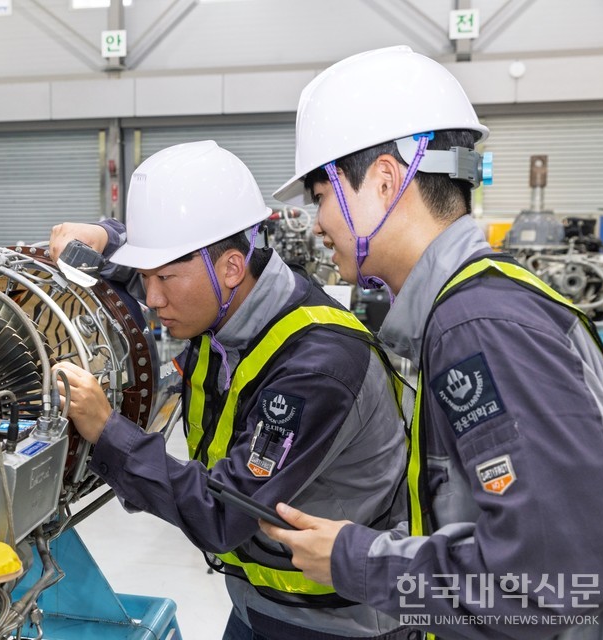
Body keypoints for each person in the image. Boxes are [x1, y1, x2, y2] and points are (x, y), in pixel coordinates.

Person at [263, 45, 603, 640]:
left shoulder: (478, 325)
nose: (316, 223)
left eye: (320, 196)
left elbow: (553, 582)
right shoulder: (476, 306)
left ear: (384, 182)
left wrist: (356, 562)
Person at [49, 140, 414, 639]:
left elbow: (223, 513)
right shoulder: (222, 301)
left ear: (230, 269)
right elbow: (153, 269)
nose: (151, 298)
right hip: (257, 600)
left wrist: (107, 430)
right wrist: (106, 236)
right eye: (145, 276)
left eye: (164, 279)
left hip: (332, 622)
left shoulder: (316, 368)